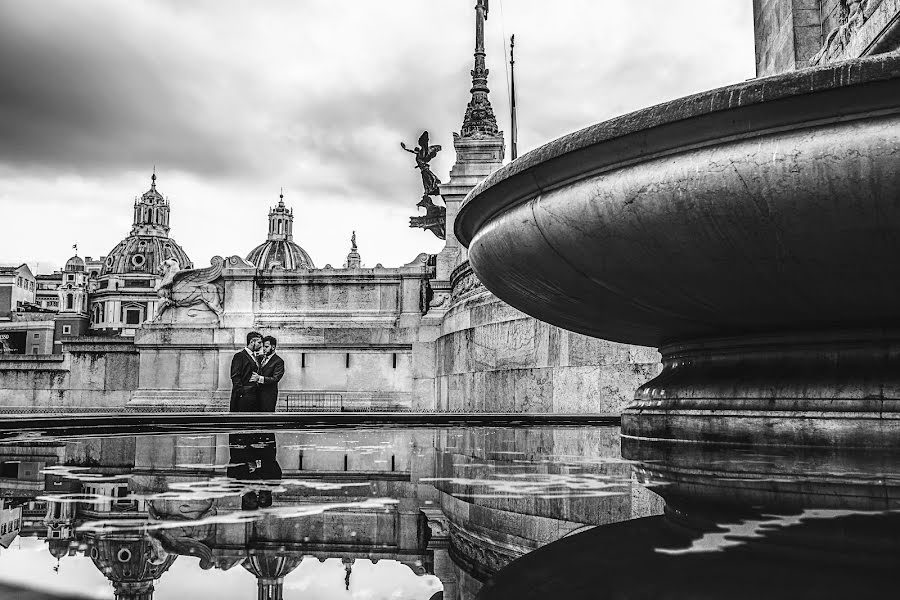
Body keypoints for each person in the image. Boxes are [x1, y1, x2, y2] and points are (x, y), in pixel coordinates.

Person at [230, 331, 263, 411]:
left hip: (254, 397)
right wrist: (242, 392)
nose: (261, 345)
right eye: (259, 342)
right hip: (244, 398)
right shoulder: (239, 356)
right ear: (252, 342)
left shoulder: (256, 357)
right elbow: (235, 376)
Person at [256, 335, 285, 412]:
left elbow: (276, 378)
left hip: (268, 396)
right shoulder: (260, 358)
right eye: (263, 347)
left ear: (273, 347)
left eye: (266, 347)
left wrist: (259, 378)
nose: (264, 349)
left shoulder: (279, 361)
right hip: (256, 395)